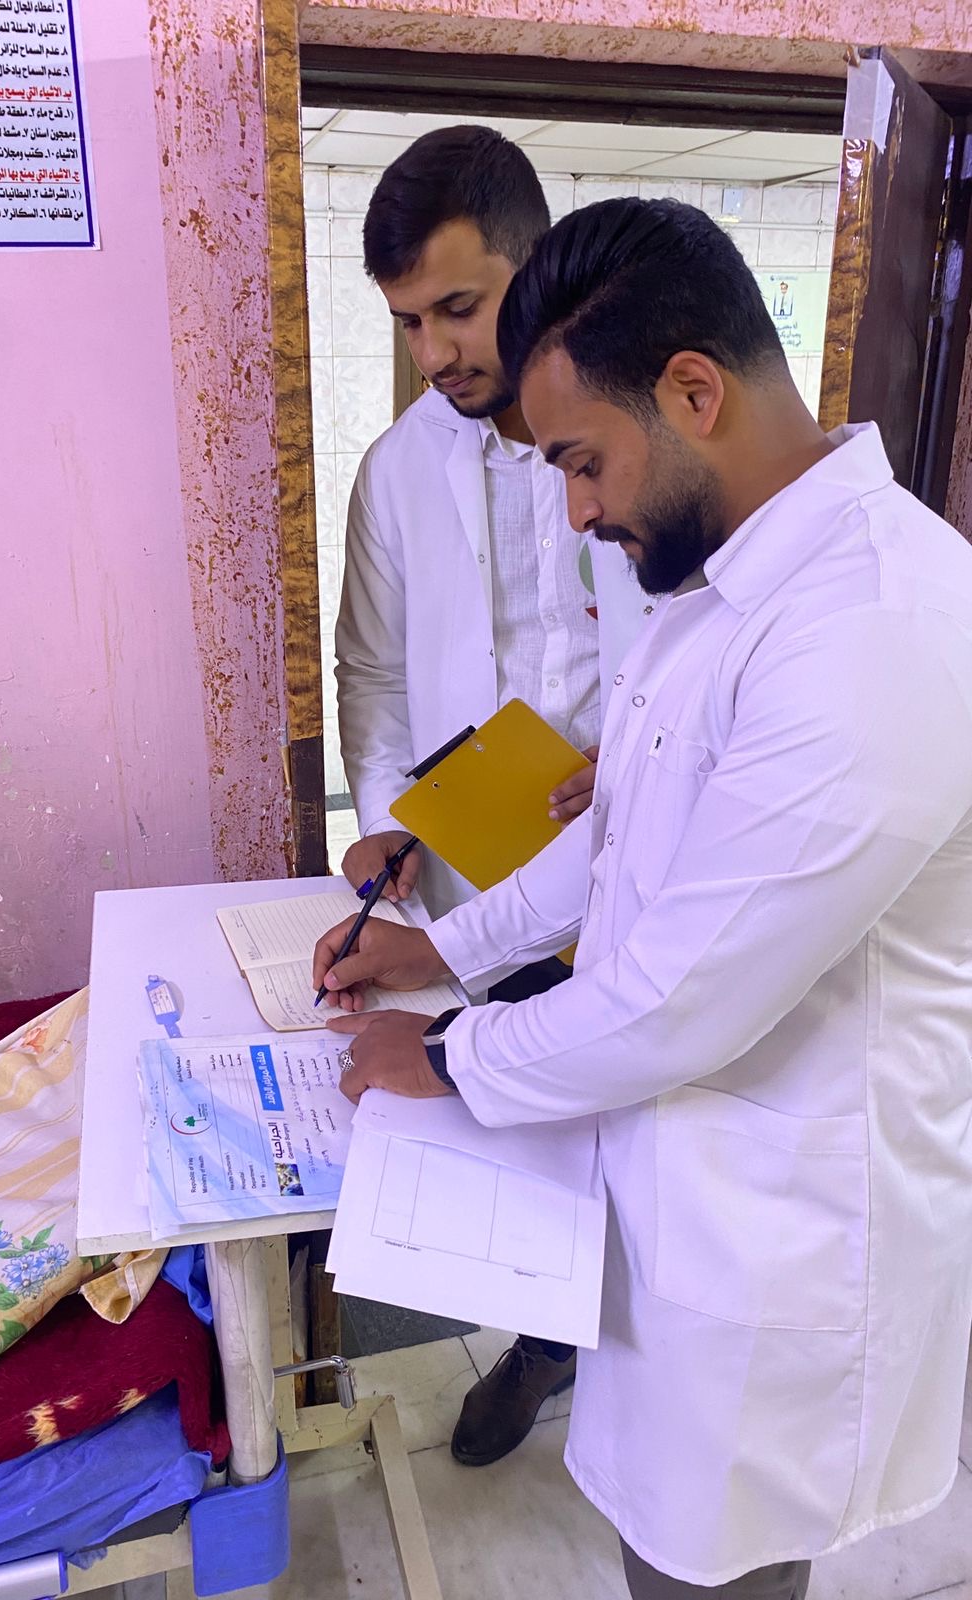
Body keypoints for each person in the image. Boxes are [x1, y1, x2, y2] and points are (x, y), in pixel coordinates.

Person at [314, 198, 972, 1599]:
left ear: (692, 392)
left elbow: (681, 996)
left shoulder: (876, 626)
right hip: (678, 1193)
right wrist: (442, 950)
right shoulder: (717, 593)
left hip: (779, 1251)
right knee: (661, 1543)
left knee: (716, 1569)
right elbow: (617, 835)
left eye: (583, 462)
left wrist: (446, 1053)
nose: (578, 510)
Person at [335, 126, 647, 1465]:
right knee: (518, 1126)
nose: (434, 351)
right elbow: (371, 666)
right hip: (480, 858)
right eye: (409, 321)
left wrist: (635, 757)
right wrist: (383, 814)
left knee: (634, 1119)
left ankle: (619, 1357)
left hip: (635, 850)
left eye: (458, 307)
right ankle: (537, 1341)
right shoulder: (398, 467)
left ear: (535, 264)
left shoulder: (631, 440)